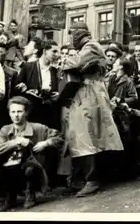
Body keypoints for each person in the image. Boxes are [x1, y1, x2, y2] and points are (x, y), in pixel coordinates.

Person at [59, 22, 124, 198]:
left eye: (72, 34)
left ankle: (92, 179)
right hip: (86, 94)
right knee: (82, 136)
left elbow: (75, 62)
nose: (71, 38)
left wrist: (64, 61)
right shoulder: (88, 47)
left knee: (89, 136)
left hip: (91, 95)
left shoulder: (92, 46)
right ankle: (82, 178)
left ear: (80, 34)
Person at [0, 96, 63, 211]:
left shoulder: (38, 128)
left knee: (30, 168)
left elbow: (60, 137)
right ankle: (10, 196)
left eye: (19, 111)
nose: (16, 115)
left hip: (32, 168)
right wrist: (14, 142)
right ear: (9, 113)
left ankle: (30, 193)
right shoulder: (5, 130)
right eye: (13, 112)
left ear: (26, 113)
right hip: (11, 169)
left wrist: (46, 143)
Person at [15, 40, 61, 130]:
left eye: (58, 52)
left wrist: (57, 95)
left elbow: (58, 89)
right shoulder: (28, 66)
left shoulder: (55, 70)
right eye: (54, 51)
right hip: (32, 111)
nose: (57, 55)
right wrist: (24, 89)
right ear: (45, 51)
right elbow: (16, 86)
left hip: (48, 111)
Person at [0, 42, 18, 133]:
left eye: (0, 52)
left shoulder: (12, 72)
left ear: (6, 54)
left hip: (4, 107)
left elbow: (14, 93)